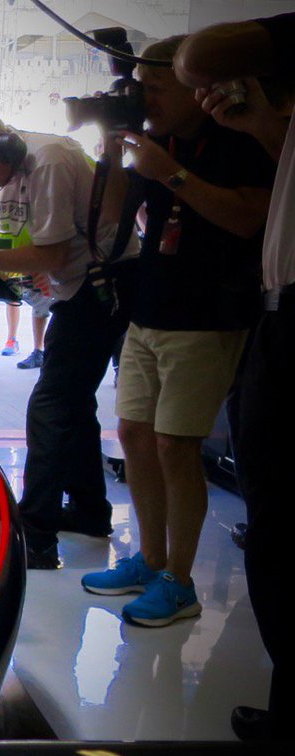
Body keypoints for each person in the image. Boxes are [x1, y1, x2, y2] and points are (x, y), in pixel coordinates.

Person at [80, 36, 274, 629]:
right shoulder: (156, 139)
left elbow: (247, 218)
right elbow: (114, 213)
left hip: (208, 314)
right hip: (150, 307)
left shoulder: (243, 140)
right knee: (134, 434)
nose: (145, 97)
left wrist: (174, 175)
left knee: (176, 445)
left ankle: (181, 582)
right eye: (139, 87)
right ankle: (150, 557)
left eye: (157, 87)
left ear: (197, 88)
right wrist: (113, 156)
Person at [0, 110, 139, 569]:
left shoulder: (51, 161)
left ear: (8, 150)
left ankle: (37, 534)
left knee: (51, 404)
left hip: (104, 282)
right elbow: (15, 248)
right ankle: (89, 511)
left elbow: (54, 251)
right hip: (70, 283)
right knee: (73, 401)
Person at [174, 11, 295, 741]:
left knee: (281, 521)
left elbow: (198, 56)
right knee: (275, 521)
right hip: (278, 314)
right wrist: (257, 125)